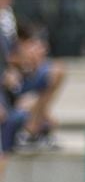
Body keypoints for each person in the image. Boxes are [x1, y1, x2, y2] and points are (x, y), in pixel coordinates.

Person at [2, 19, 67, 149]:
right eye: (34, 45)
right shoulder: (7, 61)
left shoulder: (32, 70)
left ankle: (31, 131)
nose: (41, 51)